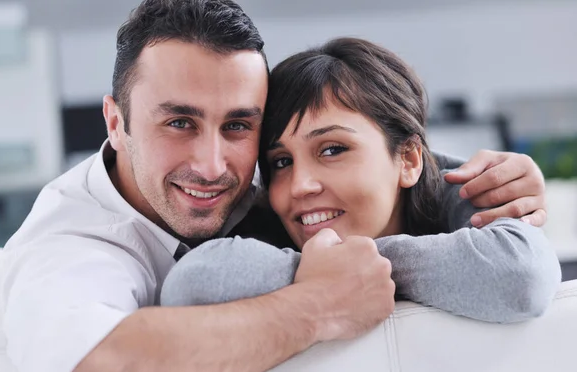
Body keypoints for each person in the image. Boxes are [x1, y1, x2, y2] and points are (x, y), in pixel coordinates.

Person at [0, 1, 551, 372]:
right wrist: (322, 300)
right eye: (178, 122)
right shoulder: (71, 244)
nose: (213, 165)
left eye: (238, 126)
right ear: (116, 123)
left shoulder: (249, 196)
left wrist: (481, 184)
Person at [160, 38, 561, 324]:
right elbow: (192, 285)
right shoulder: (258, 224)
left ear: (408, 159)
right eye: (281, 161)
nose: (300, 186)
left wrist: (350, 265)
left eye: (333, 149)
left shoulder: (471, 211)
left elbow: (520, 279)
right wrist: (336, 271)